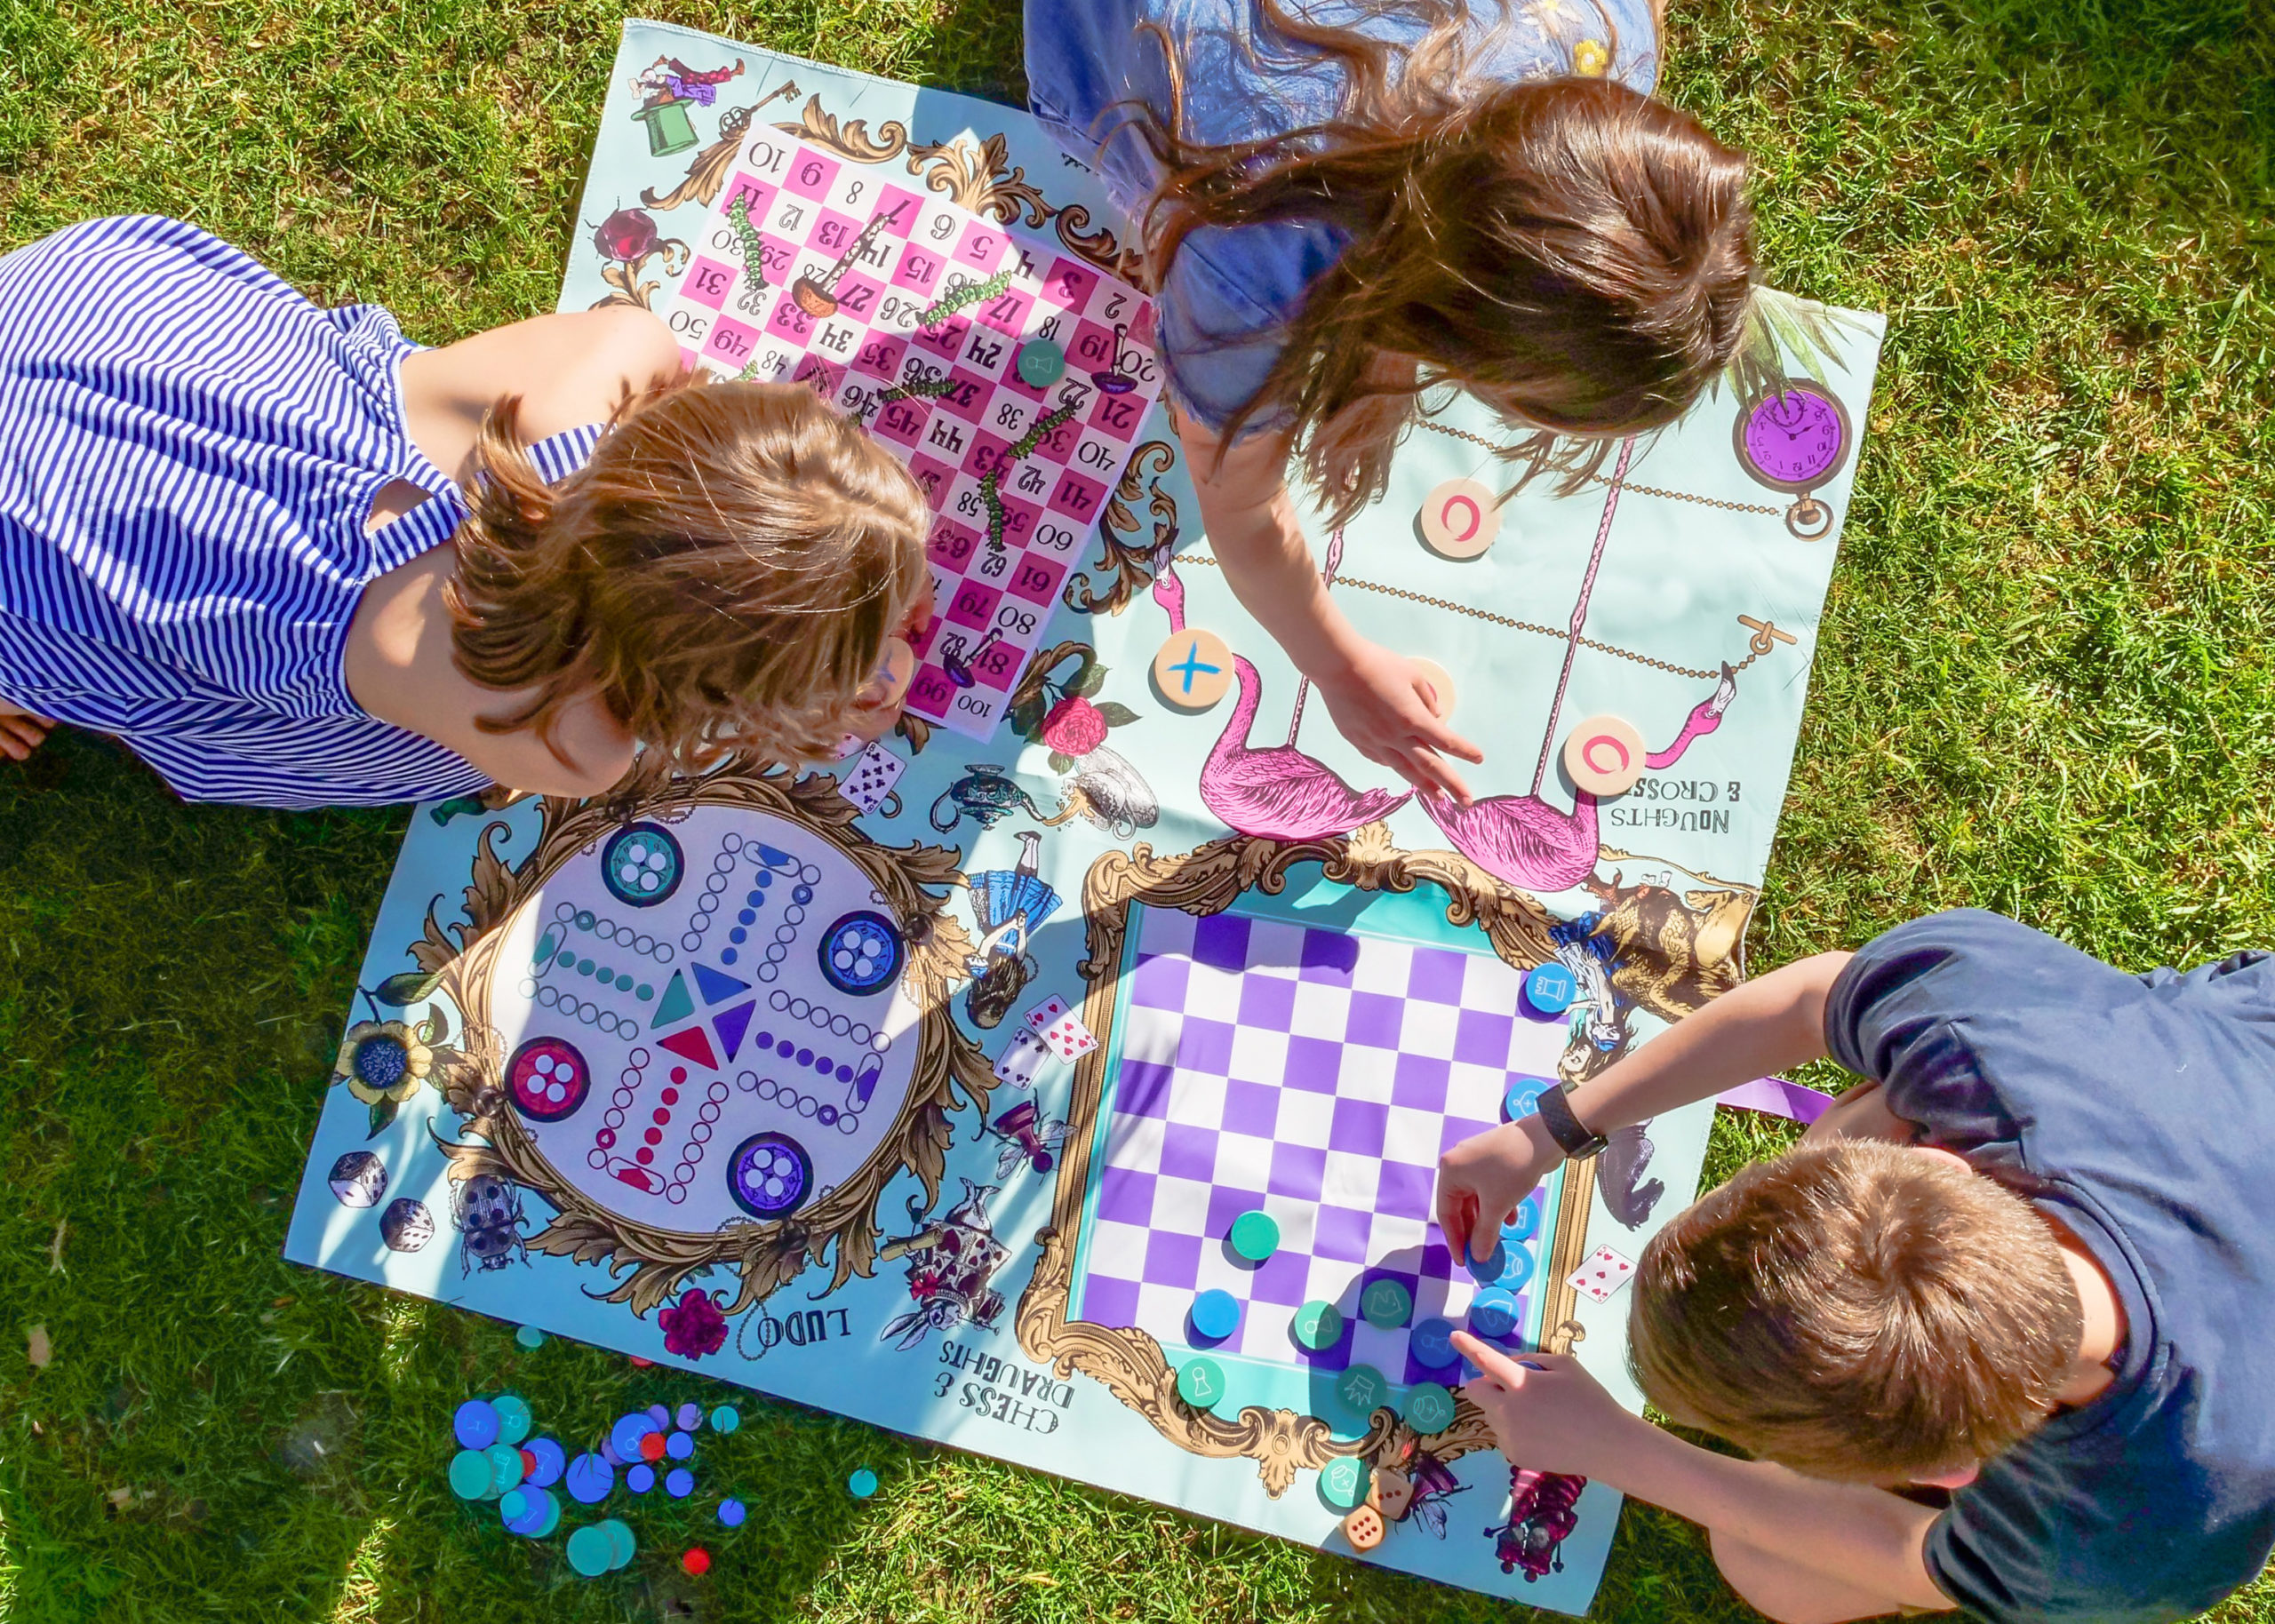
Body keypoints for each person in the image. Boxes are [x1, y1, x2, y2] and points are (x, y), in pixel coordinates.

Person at [1434, 908, 2275, 1623]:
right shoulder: (1983, 1040)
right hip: (2227, 1078)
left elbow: (1917, 1559)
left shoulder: (2140, 1529)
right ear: (1941, 1166)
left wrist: (1620, 1450)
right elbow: (1811, 996)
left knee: (1770, 1571)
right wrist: (1551, 1130)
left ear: (1950, 1476)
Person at [1026, 0, 1758, 800]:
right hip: (1100, 41)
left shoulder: (1604, 41)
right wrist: (1336, 665)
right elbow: (1237, 504)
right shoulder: (1256, 269)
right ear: (1447, 335)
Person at [0, 215, 932, 807]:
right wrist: (834, 680)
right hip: (32, 556)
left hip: (88, 317)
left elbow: (655, 358)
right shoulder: (567, 742)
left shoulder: (611, 361)